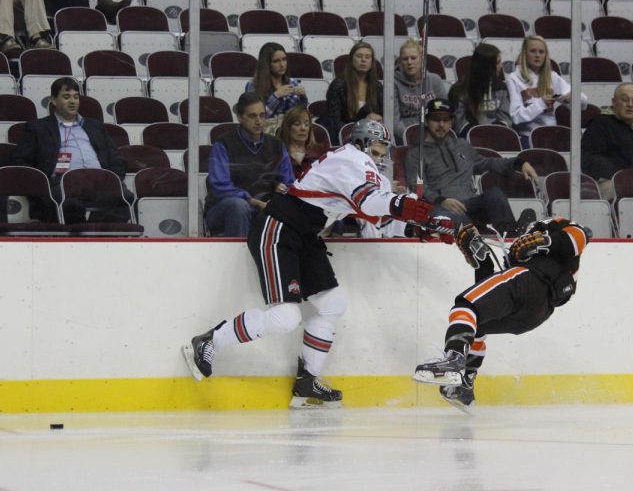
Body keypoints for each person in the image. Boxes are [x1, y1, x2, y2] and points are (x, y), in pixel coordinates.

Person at [183, 119, 454, 408]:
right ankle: (209, 340)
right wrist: (415, 211)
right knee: (285, 317)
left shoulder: (363, 167)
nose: (381, 157)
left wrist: (421, 227)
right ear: (361, 142)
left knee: (332, 304)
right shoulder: (349, 159)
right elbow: (371, 201)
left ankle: (306, 381)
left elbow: (380, 216)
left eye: (384, 152)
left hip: (305, 236)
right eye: (377, 150)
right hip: (280, 228)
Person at [413, 217, 588, 411]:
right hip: (534, 315)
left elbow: (580, 236)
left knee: (465, 307)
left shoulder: (554, 230)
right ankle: (463, 385)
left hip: (532, 283)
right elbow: (493, 294)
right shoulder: (521, 257)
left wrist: (543, 241)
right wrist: (481, 259)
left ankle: (454, 359)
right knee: (476, 323)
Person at [404, 98, 540, 235]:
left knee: (494, 194)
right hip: (440, 208)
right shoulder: (416, 153)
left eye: (446, 120)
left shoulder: (461, 145)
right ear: (426, 121)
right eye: (436, 119)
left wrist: (518, 162)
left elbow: (486, 163)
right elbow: (417, 187)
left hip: (469, 204)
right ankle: (471, 238)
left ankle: (511, 235)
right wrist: (442, 201)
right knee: (451, 216)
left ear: (451, 123)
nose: (441, 124)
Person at [11, 76, 131, 223]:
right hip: (63, 182)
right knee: (70, 204)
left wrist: (114, 179)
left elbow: (116, 158)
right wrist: (42, 184)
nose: (73, 101)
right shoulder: (38, 128)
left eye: (76, 97)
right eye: (66, 97)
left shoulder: (95, 126)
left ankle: (96, 231)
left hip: (99, 181)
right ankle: (79, 235)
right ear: (54, 100)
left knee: (126, 197)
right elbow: (21, 161)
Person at [204, 91, 294, 238]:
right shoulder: (224, 144)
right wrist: (253, 201)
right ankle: (238, 259)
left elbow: (288, 181)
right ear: (239, 117)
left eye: (262, 115)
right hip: (223, 208)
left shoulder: (276, 145)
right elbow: (220, 186)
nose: (259, 121)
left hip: (265, 205)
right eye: (252, 116)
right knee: (239, 206)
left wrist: (281, 191)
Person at [506, 35, 587, 144]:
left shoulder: (552, 76)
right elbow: (516, 116)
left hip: (551, 135)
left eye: (541, 52)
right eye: (533, 51)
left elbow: (583, 104)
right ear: (525, 53)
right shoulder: (514, 78)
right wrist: (541, 103)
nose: (537, 55)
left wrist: (573, 97)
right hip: (527, 136)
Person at [322, 41, 383, 146]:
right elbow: (334, 122)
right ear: (351, 60)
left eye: (367, 57)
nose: (363, 60)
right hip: (343, 140)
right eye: (359, 56)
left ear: (372, 62)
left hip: (370, 140)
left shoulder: (377, 87)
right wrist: (362, 124)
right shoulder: (338, 85)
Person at [448, 43, 512, 136]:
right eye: (498, 62)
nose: (501, 66)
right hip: (469, 138)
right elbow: (458, 122)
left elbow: (506, 117)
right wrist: (477, 134)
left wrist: (494, 132)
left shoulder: (501, 87)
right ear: (487, 67)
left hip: (497, 136)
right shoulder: (459, 89)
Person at [245, 42, 308, 135]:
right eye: (276, 61)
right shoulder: (253, 85)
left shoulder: (292, 82)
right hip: (265, 133)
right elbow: (257, 118)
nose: (282, 64)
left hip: (289, 132)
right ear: (266, 64)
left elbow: (300, 115)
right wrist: (276, 96)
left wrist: (303, 98)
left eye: (284, 59)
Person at [393, 38, 447, 145]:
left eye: (413, 58)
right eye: (405, 59)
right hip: (404, 138)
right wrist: (409, 137)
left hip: (433, 135)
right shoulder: (393, 83)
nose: (409, 62)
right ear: (400, 62)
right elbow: (394, 122)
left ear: (421, 60)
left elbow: (444, 113)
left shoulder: (435, 80)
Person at [277, 105, 323, 178]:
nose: (303, 128)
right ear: (287, 128)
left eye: (307, 124)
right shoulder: (278, 153)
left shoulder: (319, 152)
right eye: (297, 124)